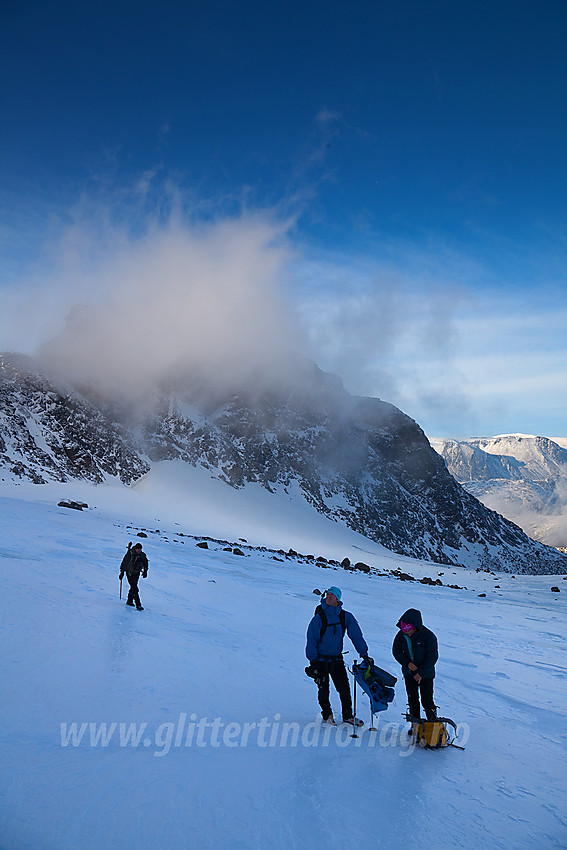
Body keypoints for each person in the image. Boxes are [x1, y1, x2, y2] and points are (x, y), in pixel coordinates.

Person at [305, 586, 371, 726]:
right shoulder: (319, 617)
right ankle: (327, 714)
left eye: (332, 595)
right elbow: (311, 639)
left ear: (338, 599)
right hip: (320, 660)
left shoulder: (345, 616)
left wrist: (364, 654)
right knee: (323, 689)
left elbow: (356, 636)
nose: (328, 597)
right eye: (327, 594)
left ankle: (348, 716)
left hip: (336, 659)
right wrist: (312, 661)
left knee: (344, 689)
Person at [392, 608, 438, 721]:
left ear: (416, 626)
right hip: (409, 673)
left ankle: (432, 724)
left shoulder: (428, 636)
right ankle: (415, 723)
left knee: (427, 699)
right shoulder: (401, 635)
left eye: (409, 630)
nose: (407, 633)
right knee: (412, 699)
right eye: (405, 630)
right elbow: (396, 651)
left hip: (426, 674)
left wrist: (420, 673)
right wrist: (407, 664)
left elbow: (432, 657)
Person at [119, 543, 148, 610]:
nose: (139, 550)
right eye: (138, 549)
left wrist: (145, 571)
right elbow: (124, 563)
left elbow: (145, 563)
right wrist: (122, 573)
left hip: (136, 573)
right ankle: (138, 604)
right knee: (135, 588)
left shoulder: (142, 555)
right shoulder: (130, 554)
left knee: (133, 587)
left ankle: (129, 601)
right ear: (135, 549)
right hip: (129, 573)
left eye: (140, 549)